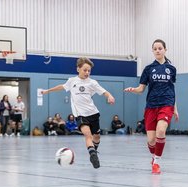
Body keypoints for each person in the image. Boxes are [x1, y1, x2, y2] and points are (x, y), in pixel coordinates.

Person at [42, 57, 115, 169]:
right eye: (85, 70)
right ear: (78, 69)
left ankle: (93, 151)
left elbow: (104, 91)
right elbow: (61, 87)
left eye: (89, 71)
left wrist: (109, 96)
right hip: (80, 115)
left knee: (97, 137)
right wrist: (47, 91)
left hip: (93, 113)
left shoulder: (92, 82)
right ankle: (93, 155)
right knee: (87, 134)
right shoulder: (72, 81)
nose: (87, 72)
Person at [124, 39, 179, 174]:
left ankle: (156, 163)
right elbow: (141, 89)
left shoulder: (171, 69)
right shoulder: (148, 69)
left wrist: (175, 108)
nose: (158, 50)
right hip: (151, 106)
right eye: (155, 49)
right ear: (153, 51)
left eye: (160, 48)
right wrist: (134, 89)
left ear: (165, 50)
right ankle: (154, 157)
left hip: (166, 104)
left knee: (161, 131)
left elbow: (172, 89)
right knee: (151, 140)